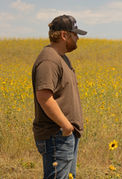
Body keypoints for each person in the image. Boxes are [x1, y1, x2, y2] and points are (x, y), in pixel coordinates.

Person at [32, 15, 87, 178]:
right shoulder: (49, 60)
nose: (77, 38)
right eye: (75, 34)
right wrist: (66, 126)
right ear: (64, 35)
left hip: (64, 134)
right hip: (57, 134)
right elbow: (44, 96)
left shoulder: (61, 58)